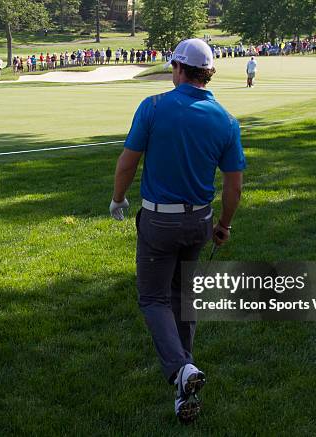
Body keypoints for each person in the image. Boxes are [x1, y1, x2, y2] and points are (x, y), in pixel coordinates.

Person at [109, 38, 245, 424]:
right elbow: (234, 187)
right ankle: (185, 385)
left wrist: (118, 200)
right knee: (183, 298)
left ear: (179, 68)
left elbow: (127, 163)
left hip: (159, 221)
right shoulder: (226, 119)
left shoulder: (153, 107)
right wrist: (225, 225)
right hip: (200, 222)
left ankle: (180, 369)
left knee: (153, 298)